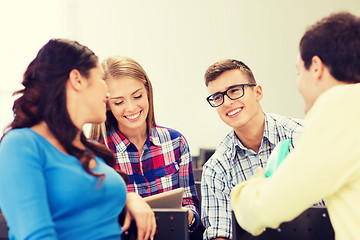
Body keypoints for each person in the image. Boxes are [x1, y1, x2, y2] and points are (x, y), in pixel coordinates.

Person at [0, 39, 156, 240]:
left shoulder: (87, 149)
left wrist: (129, 198)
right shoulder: (20, 144)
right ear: (77, 79)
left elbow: (85, 197)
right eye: (101, 79)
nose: (107, 94)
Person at [230, 12, 360, 239]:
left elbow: (265, 208)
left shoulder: (339, 107)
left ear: (316, 67)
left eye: (299, 72)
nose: (299, 84)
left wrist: (252, 186)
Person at [201, 59, 309, 240]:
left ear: (257, 92)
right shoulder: (215, 168)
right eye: (218, 97)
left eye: (234, 90)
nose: (227, 102)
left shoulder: (304, 136)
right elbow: (220, 234)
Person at [89, 56, 200, 230]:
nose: (131, 108)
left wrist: (189, 216)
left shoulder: (176, 142)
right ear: (107, 105)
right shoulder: (94, 154)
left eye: (137, 96)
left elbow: (189, 201)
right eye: (119, 102)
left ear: (147, 91)